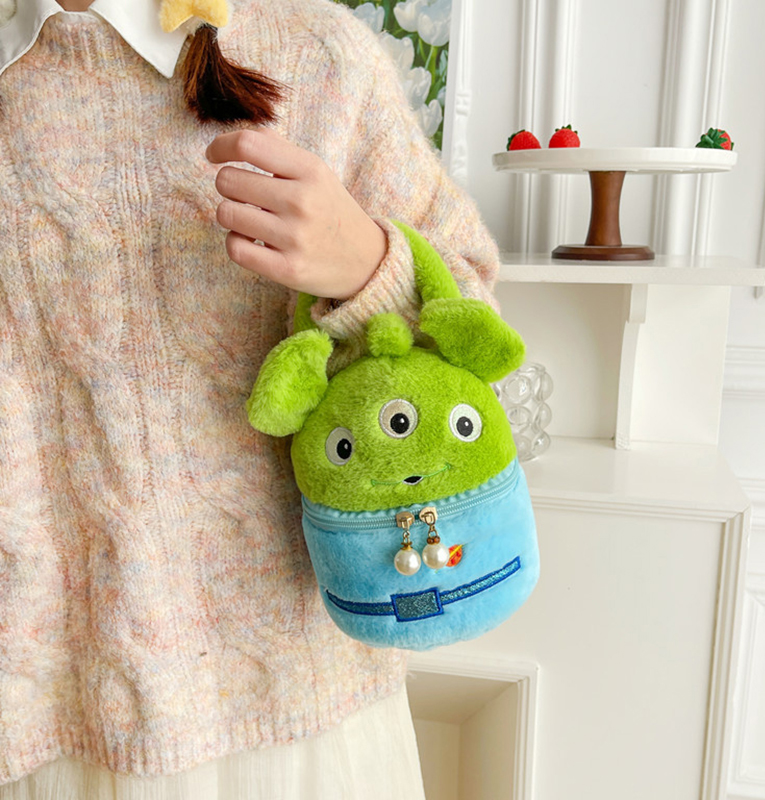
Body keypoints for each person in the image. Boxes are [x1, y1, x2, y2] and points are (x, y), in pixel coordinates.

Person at [0, 0, 501, 796]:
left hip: (297, 712)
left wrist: (368, 267)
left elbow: (477, 329)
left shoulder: (316, 54)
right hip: (44, 717)